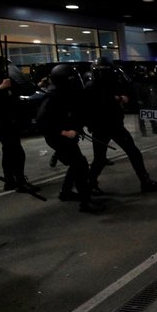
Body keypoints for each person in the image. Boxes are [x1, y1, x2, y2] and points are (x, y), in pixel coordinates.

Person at [84, 58, 157, 194]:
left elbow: (124, 94)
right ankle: (90, 184)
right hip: (104, 127)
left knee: (131, 153)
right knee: (102, 159)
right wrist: (119, 99)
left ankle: (145, 181)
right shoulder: (92, 87)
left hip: (113, 125)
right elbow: (100, 104)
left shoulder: (106, 84)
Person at [37, 64, 105, 213]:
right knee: (80, 165)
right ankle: (85, 202)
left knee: (76, 164)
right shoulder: (53, 95)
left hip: (66, 136)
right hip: (58, 137)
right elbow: (42, 121)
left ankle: (66, 192)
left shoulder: (65, 92)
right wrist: (64, 132)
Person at [0, 54, 36, 192]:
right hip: (2, 123)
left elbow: (24, 89)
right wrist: (0, 88)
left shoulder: (3, 79)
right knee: (16, 152)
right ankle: (19, 181)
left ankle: (10, 180)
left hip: (10, 121)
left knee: (9, 152)